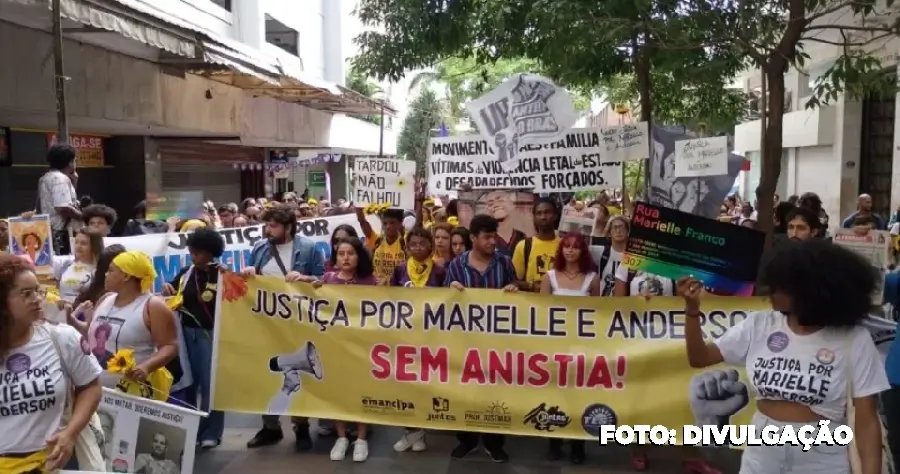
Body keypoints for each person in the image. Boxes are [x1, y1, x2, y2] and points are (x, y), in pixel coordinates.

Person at [681, 239, 888, 473]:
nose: (770, 291)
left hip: (823, 454)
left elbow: (866, 420)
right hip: (762, 448)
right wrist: (691, 311)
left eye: (781, 285)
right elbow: (699, 358)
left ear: (811, 290)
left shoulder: (854, 339)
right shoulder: (759, 325)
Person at [0, 255, 102, 472]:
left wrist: (70, 434)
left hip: (52, 464)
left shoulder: (62, 338)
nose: (37, 298)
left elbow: (91, 386)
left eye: (38, 290)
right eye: (26, 294)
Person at [243, 205, 325, 451]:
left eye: (273, 226)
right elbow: (252, 283)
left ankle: (301, 426)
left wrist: (306, 278)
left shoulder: (309, 248)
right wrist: (249, 273)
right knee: (265, 375)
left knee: (297, 375)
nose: (268, 230)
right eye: (266, 225)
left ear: (288, 227)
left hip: (297, 322)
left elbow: (323, 281)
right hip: (266, 322)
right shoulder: (259, 248)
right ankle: (270, 427)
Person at [444, 214, 518, 462]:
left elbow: (517, 301)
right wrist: (450, 290)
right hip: (465, 343)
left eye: (493, 236)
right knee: (463, 392)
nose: (492, 242)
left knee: (495, 393)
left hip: (497, 344)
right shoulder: (456, 265)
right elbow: (443, 302)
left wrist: (513, 290)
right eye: (486, 237)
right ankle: (466, 440)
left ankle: (494, 442)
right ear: (473, 238)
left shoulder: (505, 264)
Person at [310, 238, 376, 461]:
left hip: (361, 347)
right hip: (334, 345)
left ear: (359, 257)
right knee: (338, 392)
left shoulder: (369, 282)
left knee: (360, 391)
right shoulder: (327, 279)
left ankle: (361, 438)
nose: (346, 257)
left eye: (350, 253)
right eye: (341, 253)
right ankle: (341, 437)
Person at [163, 228, 226, 449]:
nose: (194, 256)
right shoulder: (185, 273)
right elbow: (172, 296)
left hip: (209, 335)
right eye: (191, 251)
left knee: (211, 385)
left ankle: (212, 431)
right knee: (186, 382)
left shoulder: (222, 275)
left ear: (211, 252)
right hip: (184, 334)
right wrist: (167, 290)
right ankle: (190, 428)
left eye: (198, 252)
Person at [540, 233, 598, 464]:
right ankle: (554, 442)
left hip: (582, 348)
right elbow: (539, 313)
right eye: (566, 246)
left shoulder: (592, 279)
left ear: (582, 251)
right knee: (555, 396)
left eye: (575, 247)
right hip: (555, 348)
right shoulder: (550, 277)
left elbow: (597, 316)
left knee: (579, 398)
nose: (570, 251)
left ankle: (578, 445)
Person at [85, 251, 179, 393]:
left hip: (132, 392)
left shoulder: (152, 306)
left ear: (126, 276)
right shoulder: (105, 299)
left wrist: (146, 367)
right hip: (96, 388)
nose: (105, 275)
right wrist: (71, 319)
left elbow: (170, 345)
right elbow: (91, 337)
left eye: (111, 270)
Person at [38, 144, 82, 255]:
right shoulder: (60, 179)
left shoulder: (45, 177)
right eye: (74, 160)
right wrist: (83, 216)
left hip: (49, 230)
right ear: (70, 162)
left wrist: (73, 182)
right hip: (61, 233)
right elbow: (62, 207)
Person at [512, 198, 561, 292]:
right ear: (533, 217)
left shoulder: (564, 246)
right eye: (539, 213)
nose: (543, 217)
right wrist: (531, 286)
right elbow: (514, 280)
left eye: (547, 212)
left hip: (558, 302)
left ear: (555, 215)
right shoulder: (524, 245)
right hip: (531, 303)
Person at [53, 228, 103, 307]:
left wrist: (72, 305)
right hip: (60, 313)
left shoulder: (99, 271)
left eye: (83, 243)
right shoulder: (66, 265)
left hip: (82, 314)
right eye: (76, 242)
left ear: (94, 246)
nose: (78, 246)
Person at [356, 206, 406, 285]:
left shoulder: (405, 242)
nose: (388, 226)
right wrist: (358, 206)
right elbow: (362, 221)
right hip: (377, 289)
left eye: (392, 223)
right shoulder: (377, 240)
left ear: (400, 224)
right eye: (385, 223)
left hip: (397, 288)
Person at [479, 190, 526, 256]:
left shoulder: (522, 237)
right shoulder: (486, 239)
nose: (495, 205)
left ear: (513, 204)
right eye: (490, 204)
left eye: (500, 200)